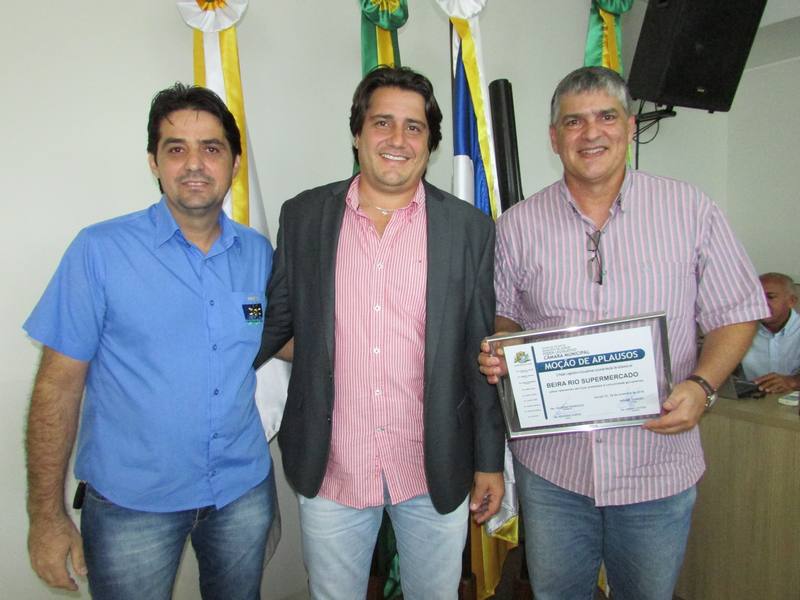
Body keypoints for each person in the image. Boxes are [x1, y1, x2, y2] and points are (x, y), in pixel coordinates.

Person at [478, 66, 768, 600]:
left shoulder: (690, 209)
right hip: (554, 472)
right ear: (554, 137)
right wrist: (504, 349)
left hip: (656, 466)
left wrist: (702, 386)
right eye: (574, 121)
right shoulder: (518, 224)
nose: (591, 133)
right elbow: (506, 315)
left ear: (630, 127)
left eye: (606, 117)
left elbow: (738, 310)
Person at [255, 66, 505, 600]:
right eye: (382, 122)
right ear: (357, 133)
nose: (397, 139)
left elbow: (479, 352)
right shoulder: (303, 217)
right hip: (333, 468)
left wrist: (490, 460)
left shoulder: (470, 229)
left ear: (431, 143)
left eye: (414, 127)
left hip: (433, 466)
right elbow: (276, 323)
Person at [23, 83, 276, 600]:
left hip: (241, 491)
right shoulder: (99, 251)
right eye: (176, 148)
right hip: (131, 506)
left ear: (234, 163)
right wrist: (45, 517)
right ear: (153, 162)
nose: (194, 164)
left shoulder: (258, 253)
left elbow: (283, 340)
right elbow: (57, 388)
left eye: (212, 148)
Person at [741, 272, 800, 392]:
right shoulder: (739, 331)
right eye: (757, 297)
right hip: (750, 398)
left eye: (770, 297)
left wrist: (793, 381)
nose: (762, 303)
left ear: (792, 301)